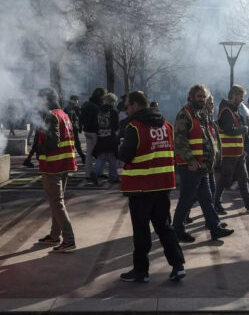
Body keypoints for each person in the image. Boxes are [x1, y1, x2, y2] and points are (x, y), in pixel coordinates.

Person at [119, 91, 185, 283]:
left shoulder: (134, 127)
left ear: (136, 106)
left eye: (127, 105)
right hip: (163, 185)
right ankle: (178, 266)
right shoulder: (166, 125)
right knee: (165, 227)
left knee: (141, 230)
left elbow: (126, 155)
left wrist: (119, 148)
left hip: (141, 187)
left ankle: (141, 271)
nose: (126, 109)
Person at [173, 84, 233, 243]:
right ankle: (177, 229)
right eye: (199, 96)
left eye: (203, 96)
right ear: (191, 96)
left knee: (207, 199)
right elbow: (179, 141)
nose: (201, 99)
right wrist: (190, 161)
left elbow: (209, 139)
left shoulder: (202, 114)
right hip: (191, 167)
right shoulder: (185, 114)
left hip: (203, 167)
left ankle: (215, 228)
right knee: (186, 199)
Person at [36, 88, 77, 253]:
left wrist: (39, 149)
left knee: (56, 202)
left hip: (53, 165)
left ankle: (69, 240)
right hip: (64, 163)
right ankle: (54, 236)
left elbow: (53, 141)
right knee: (56, 201)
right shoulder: (63, 114)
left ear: (46, 100)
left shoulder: (50, 115)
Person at [214, 85, 249, 214]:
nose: (242, 100)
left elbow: (240, 130)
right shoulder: (226, 110)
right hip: (229, 152)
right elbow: (228, 130)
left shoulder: (234, 110)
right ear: (234, 95)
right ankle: (216, 203)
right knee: (226, 178)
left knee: (243, 178)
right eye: (240, 97)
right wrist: (243, 129)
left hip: (238, 152)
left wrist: (248, 141)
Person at [91, 93, 120, 184]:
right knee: (113, 158)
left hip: (101, 137)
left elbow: (95, 124)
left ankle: (95, 172)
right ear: (113, 102)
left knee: (101, 157)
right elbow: (116, 126)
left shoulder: (98, 111)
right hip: (111, 138)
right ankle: (113, 177)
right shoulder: (114, 112)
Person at [81, 88, 107, 178]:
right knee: (101, 153)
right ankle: (98, 172)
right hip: (95, 132)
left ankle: (87, 174)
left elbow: (81, 118)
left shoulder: (86, 104)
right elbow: (99, 121)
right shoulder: (99, 106)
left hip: (87, 131)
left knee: (88, 154)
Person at [64, 95, 86, 165]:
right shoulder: (69, 108)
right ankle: (82, 157)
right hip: (71, 128)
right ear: (73, 100)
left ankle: (82, 157)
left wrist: (79, 126)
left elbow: (79, 118)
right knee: (74, 144)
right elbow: (70, 119)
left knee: (76, 144)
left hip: (73, 128)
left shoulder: (75, 108)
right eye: (76, 100)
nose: (77, 102)